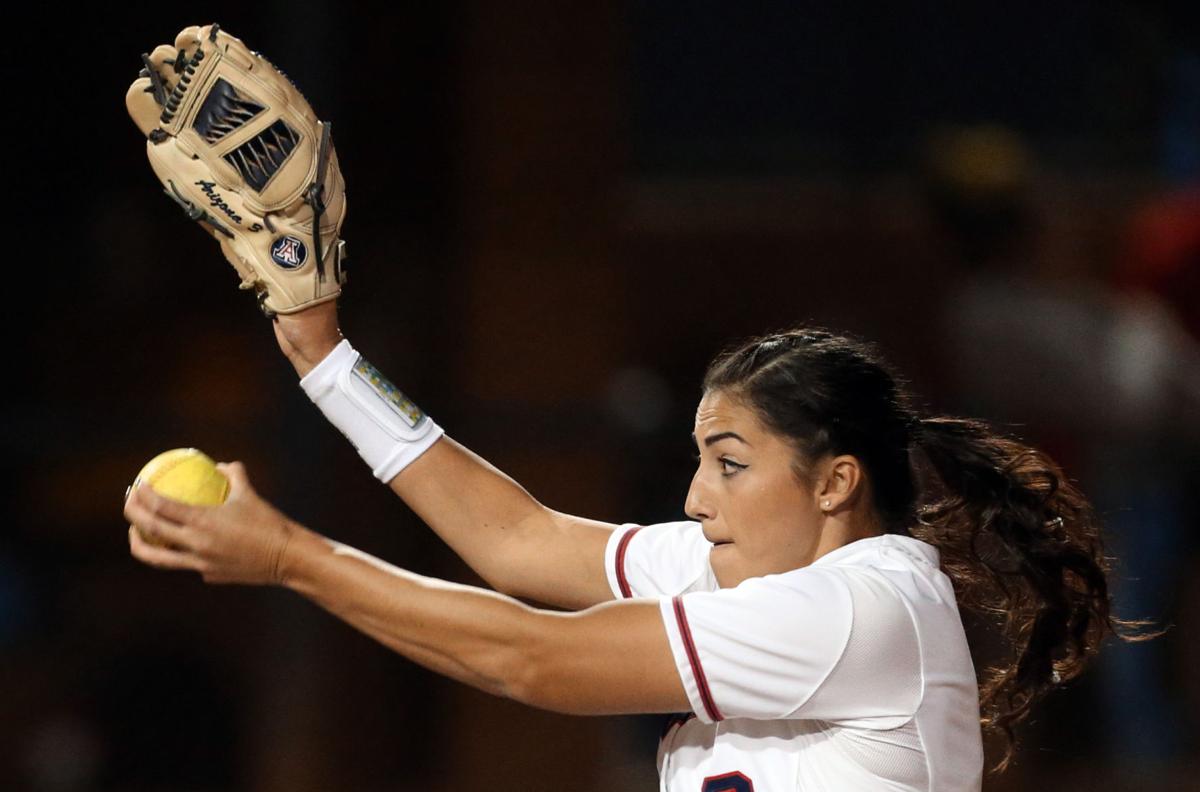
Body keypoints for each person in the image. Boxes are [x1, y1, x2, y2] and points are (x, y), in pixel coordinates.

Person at [123, 301, 1132, 791]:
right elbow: (519, 540)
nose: (696, 498)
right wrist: (324, 357)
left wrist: (292, 557)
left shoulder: (866, 603)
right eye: (700, 459)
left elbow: (534, 658)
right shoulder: (750, 564)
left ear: (836, 482)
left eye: (730, 462)